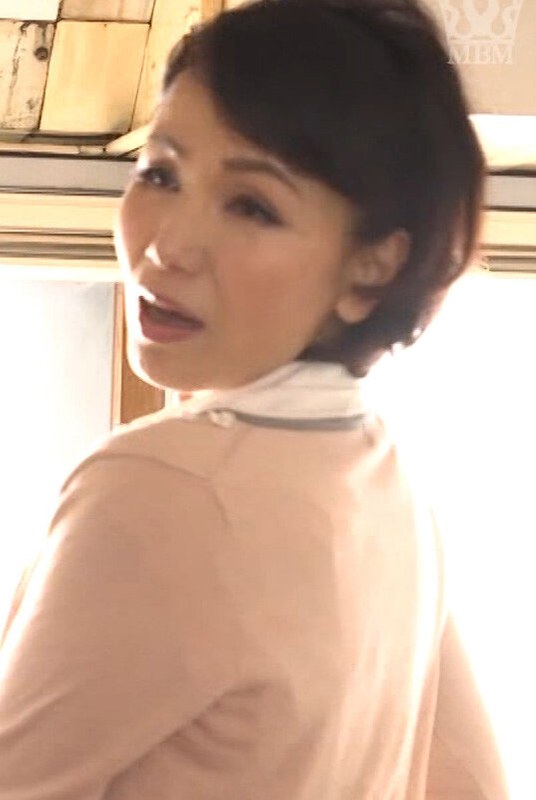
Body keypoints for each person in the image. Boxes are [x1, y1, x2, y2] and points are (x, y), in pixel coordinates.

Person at [0, 0, 509, 797]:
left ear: (372, 266)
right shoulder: (383, 479)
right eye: (160, 174)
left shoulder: (163, 490)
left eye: (251, 206)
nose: (167, 246)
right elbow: (473, 784)